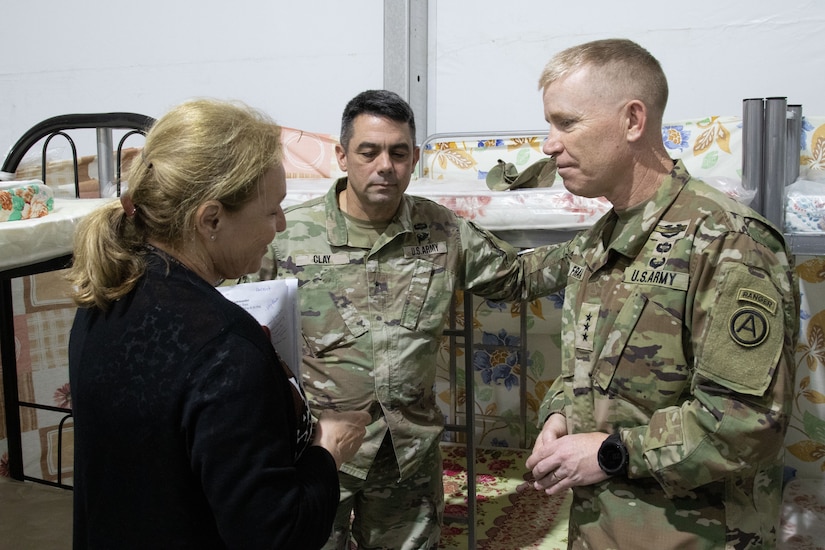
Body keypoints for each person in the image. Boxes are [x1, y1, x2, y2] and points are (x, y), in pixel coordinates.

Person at [518, 38, 800, 548]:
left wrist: (610, 454)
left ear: (632, 120)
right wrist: (560, 413)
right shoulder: (600, 241)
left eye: (566, 122)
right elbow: (586, 372)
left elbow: (744, 424)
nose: (548, 144)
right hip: (600, 530)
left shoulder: (729, 243)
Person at [67, 98, 369, 549]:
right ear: (210, 219)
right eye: (272, 210)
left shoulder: (106, 295)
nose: (281, 225)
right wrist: (325, 452)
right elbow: (276, 535)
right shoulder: (226, 350)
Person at [256, 89, 524, 549]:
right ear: (342, 156)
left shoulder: (442, 230)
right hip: (317, 451)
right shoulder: (286, 236)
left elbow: (518, 276)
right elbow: (229, 310)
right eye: (369, 151)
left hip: (407, 453)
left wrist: (609, 243)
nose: (385, 165)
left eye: (399, 153)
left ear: (414, 158)